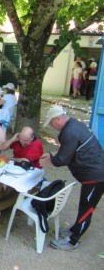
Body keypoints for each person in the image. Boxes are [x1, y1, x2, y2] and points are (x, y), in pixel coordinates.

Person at [39, 106, 104, 251]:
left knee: (86, 209)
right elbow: (67, 150)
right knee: (84, 206)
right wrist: (50, 155)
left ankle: (72, 241)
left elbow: (62, 158)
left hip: (95, 175)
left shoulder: (70, 131)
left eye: (51, 123)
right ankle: (74, 229)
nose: (51, 126)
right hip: (94, 173)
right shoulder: (74, 125)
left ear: (58, 119)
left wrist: (47, 162)